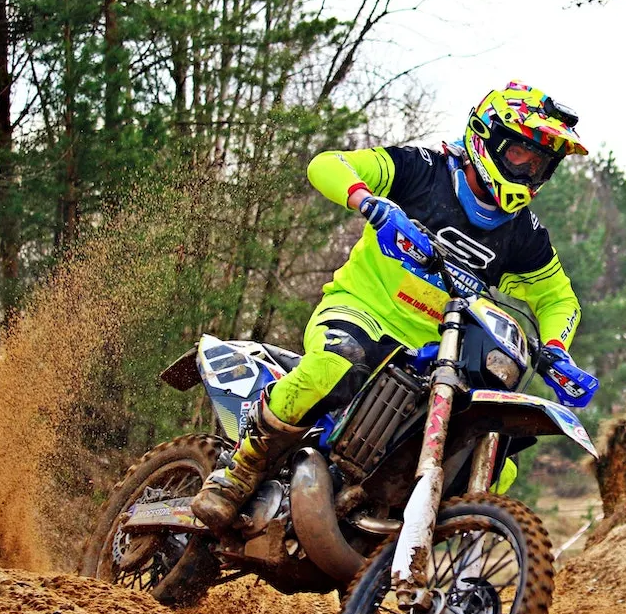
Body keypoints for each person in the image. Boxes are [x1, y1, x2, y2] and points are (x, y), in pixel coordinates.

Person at [191, 82, 591, 531]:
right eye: (521, 153)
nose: (529, 169)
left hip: (436, 356)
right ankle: (240, 470)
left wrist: (555, 349)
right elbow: (328, 164)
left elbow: (557, 297)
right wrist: (372, 203)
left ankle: (399, 559)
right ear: (487, 137)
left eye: (541, 162)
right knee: (334, 364)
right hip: (362, 313)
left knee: (499, 457)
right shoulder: (423, 170)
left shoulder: (525, 234)